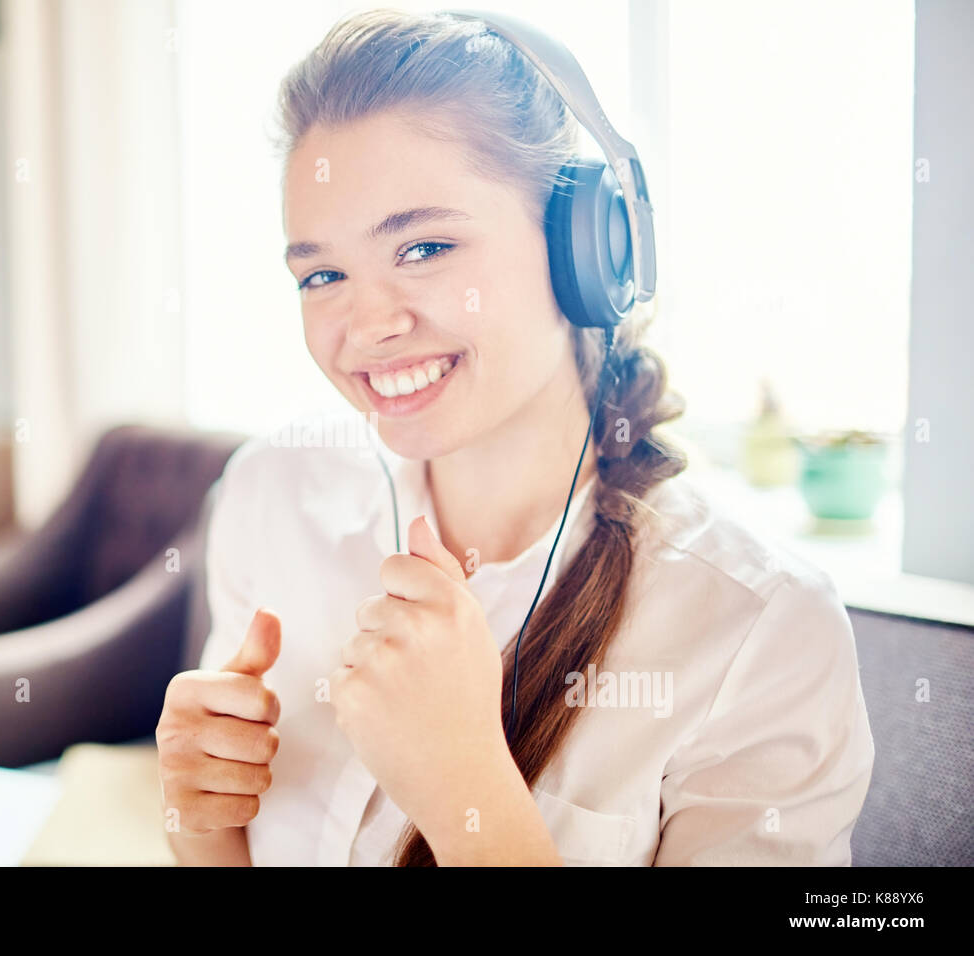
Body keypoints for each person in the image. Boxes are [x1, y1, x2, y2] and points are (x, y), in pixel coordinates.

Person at [155, 8, 874, 866]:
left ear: (587, 252)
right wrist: (202, 824)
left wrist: (467, 790)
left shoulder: (762, 631)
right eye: (323, 274)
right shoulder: (269, 496)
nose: (367, 325)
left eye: (424, 247)